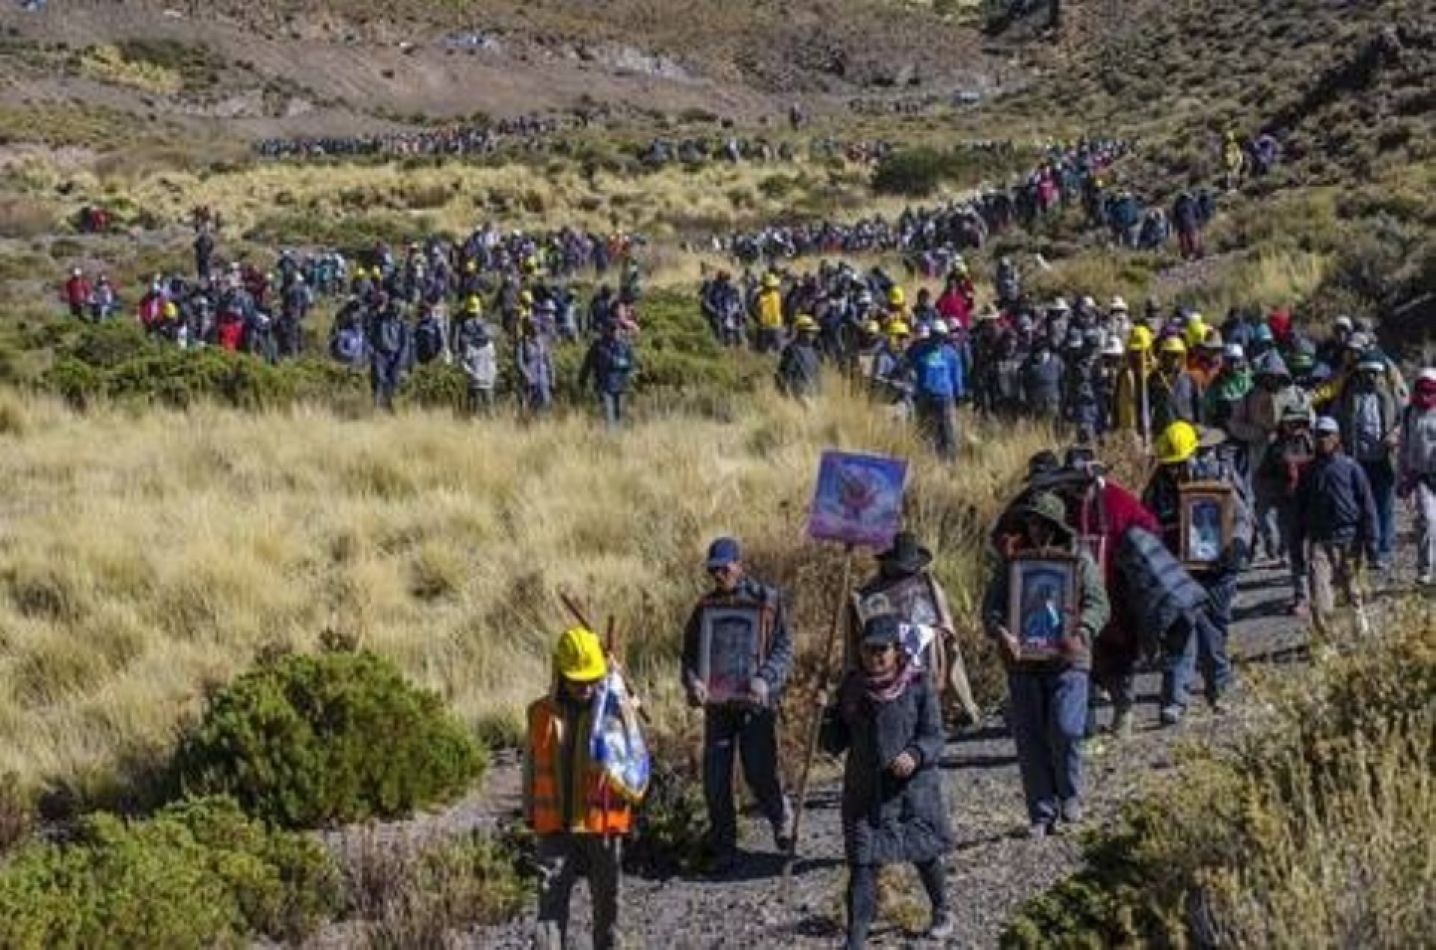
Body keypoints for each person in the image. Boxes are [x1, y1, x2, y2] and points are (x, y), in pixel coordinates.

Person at [820, 615, 955, 948]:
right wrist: (825, 714)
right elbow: (834, 743)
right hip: (867, 794)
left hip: (913, 791)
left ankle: (941, 910)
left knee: (924, 853)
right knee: (862, 865)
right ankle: (855, 940)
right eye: (868, 650)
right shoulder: (852, 687)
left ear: (897, 650)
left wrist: (916, 754)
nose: (875, 657)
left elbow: (935, 736)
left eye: (882, 650)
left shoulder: (918, 684)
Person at [982, 492, 1109, 836]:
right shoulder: (1012, 563)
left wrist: (1082, 630)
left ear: (1055, 526)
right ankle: (1041, 811)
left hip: (1069, 658)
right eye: (1031, 523)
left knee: (1067, 728)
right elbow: (991, 609)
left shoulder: (1078, 560)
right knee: (1029, 737)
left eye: (1041, 523)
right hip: (1023, 661)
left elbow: (1099, 603)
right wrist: (1001, 632)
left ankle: (1070, 795)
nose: (1035, 529)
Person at [680, 537, 795, 871]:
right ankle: (724, 845)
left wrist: (766, 678)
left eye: (724, 568)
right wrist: (694, 682)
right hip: (718, 707)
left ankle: (781, 819)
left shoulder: (768, 602)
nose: (719, 575)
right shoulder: (704, 609)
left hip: (757, 704)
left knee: (759, 771)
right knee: (715, 778)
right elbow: (688, 655)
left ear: (739, 565)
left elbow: (785, 648)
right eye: (713, 569)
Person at [524, 627, 631, 950]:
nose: (584, 687)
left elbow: (636, 764)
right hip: (554, 829)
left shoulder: (615, 711)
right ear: (559, 672)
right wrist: (530, 811)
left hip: (602, 828)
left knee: (609, 914)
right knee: (548, 917)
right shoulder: (540, 714)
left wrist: (623, 697)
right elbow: (530, 766)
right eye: (576, 679)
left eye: (591, 678)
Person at [1144, 421, 1248, 722]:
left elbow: (1242, 518)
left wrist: (1237, 546)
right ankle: (1175, 699)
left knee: (1213, 631)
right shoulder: (1156, 489)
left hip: (1217, 568)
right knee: (1178, 632)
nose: (1174, 471)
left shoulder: (1218, 475)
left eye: (1179, 463)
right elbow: (1146, 527)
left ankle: (1220, 689)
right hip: (1176, 569)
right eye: (1170, 465)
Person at [847, 531, 981, 726]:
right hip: (888, 657)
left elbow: (944, 623)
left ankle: (959, 708)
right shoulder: (871, 595)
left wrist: (935, 632)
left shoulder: (927, 584)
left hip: (927, 657)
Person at [1295, 416, 1378, 640]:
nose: (1322, 440)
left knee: (1352, 591)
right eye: (1318, 435)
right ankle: (1326, 643)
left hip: (1349, 539)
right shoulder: (1308, 472)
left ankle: (1360, 632)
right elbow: (1300, 508)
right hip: (1320, 541)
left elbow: (1367, 504)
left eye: (1326, 435)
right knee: (1320, 596)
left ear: (1337, 438)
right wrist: (1296, 544)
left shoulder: (1351, 468)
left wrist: (1371, 542)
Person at [1334, 355, 1401, 572]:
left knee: (1385, 507)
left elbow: (1403, 419)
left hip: (1384, 460)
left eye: (1375, 372)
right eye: (1366, 372)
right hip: (1356, 461)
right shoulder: (1348, 395)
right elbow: (1336, 421)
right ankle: (1360, 550)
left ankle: (1383, 551)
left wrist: (1395, 435)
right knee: (1359, 507)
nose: (1371, 377)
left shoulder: (1390, 394)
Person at [905, 319, 965, 462]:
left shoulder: (950, 354)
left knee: (947, 431)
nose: (938, 339)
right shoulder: (919, 351)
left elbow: (956, 374)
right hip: (924, 396)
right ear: (930, 334)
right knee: (924, 430)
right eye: (935, 335)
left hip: (944, 397)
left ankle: (949, 461)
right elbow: (909, 369)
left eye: (941, 336)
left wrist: (959, 393)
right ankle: (925, 459)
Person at [1399, 368, 1436, 585]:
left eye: (1430, 392)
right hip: (1421, 476)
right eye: (1421, 391)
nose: (1425, 396)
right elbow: (1404, 447)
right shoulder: (1409, 413)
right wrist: (1402, 478)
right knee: (1427, 521)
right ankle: (1425, 568)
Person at [578, 322, 637, 427]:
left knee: (619, 415)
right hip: (604, 386)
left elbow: (632, 363)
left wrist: (621, 364)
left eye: (616, 329)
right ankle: (611, 440)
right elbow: (587, 363)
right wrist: (582, 380)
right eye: (612, 329)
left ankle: (619, 440)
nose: (614, 332)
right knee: (609, 416)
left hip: (621, 385)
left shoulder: (625, 344)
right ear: (606, 330)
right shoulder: (598, 345)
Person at [776, 315, 822, 401]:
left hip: (812, 393)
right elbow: (785, 373)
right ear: (802, 332)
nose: (813, 335)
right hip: (800, 394)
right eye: (810, 332)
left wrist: (819, 391)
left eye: (813, 332)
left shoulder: (812, 350)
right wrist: (786, 394)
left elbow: (816, 373)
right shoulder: (792, 350)